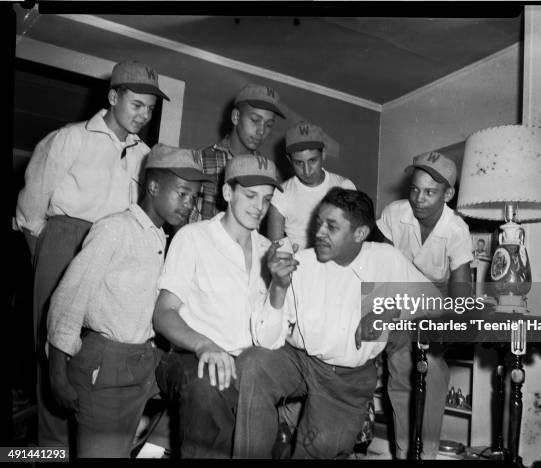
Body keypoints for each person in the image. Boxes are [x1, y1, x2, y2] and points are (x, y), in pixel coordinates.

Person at [13, 59, 169, 449]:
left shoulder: (145, 156)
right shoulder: (69, 139)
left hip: (116, 253)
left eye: (150, 109)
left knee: (89, 358)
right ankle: (50, 452)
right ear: (113, 96)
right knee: (54, 360)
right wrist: (48, 258)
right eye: (136, 104)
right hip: (65, 239)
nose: (144, 115)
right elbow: (30, 211)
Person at [233, 188, 439, 459]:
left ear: (360, 234)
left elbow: (436, 303)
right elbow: (267, 342)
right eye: (319, 222)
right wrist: (279, 288)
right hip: (298, 360)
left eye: (331, 227)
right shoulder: (302, 263)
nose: (319, 233)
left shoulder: (386, 260)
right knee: (254, 364)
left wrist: (389, 311)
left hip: (346, 380)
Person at [45, 144, 208, 457]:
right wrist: (57, 376)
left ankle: (147, 448)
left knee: (201, 383)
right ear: (153, 186)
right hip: (107, 366)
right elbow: (67, 301)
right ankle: (19, 454)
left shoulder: (166, 240)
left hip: (147, 362)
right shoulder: (115, 229)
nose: (190, 204)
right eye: (183, 193)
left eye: (195, 196)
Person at [152, 155, 282, 458]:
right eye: (250, 196)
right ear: (227, 193)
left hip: (247, 366)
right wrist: (204, 345)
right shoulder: (193, 237)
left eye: (267, 199)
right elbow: (163, 313)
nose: (259, 207)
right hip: (191, 357)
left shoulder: (268, 250)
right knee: (208, 386)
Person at [376, 151, 473, 459]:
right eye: (415, 189)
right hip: (395, 301)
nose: (418, 198)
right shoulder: (394, 213)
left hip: (435, 309)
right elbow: (377, 268)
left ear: (449, 194)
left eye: (430, 192)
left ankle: (423, 454)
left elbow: (460, 300)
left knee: (428, 367)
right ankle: (407, 453)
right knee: (402, 364)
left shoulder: (456, 231)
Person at [189, 83, 285, 223]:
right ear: (236, 117)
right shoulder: (200, 160)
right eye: (255, 120)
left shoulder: (269, 173)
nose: (261, 131)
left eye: (268, 125)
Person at [267, 121, 356, 249]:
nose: (307, 171)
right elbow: (276, 248)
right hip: (298, 265)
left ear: (323, 154)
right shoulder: (281, 193)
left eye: (312, 160)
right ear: (289, 160)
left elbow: (351, 240)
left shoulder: (345, 187)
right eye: (299, 163)